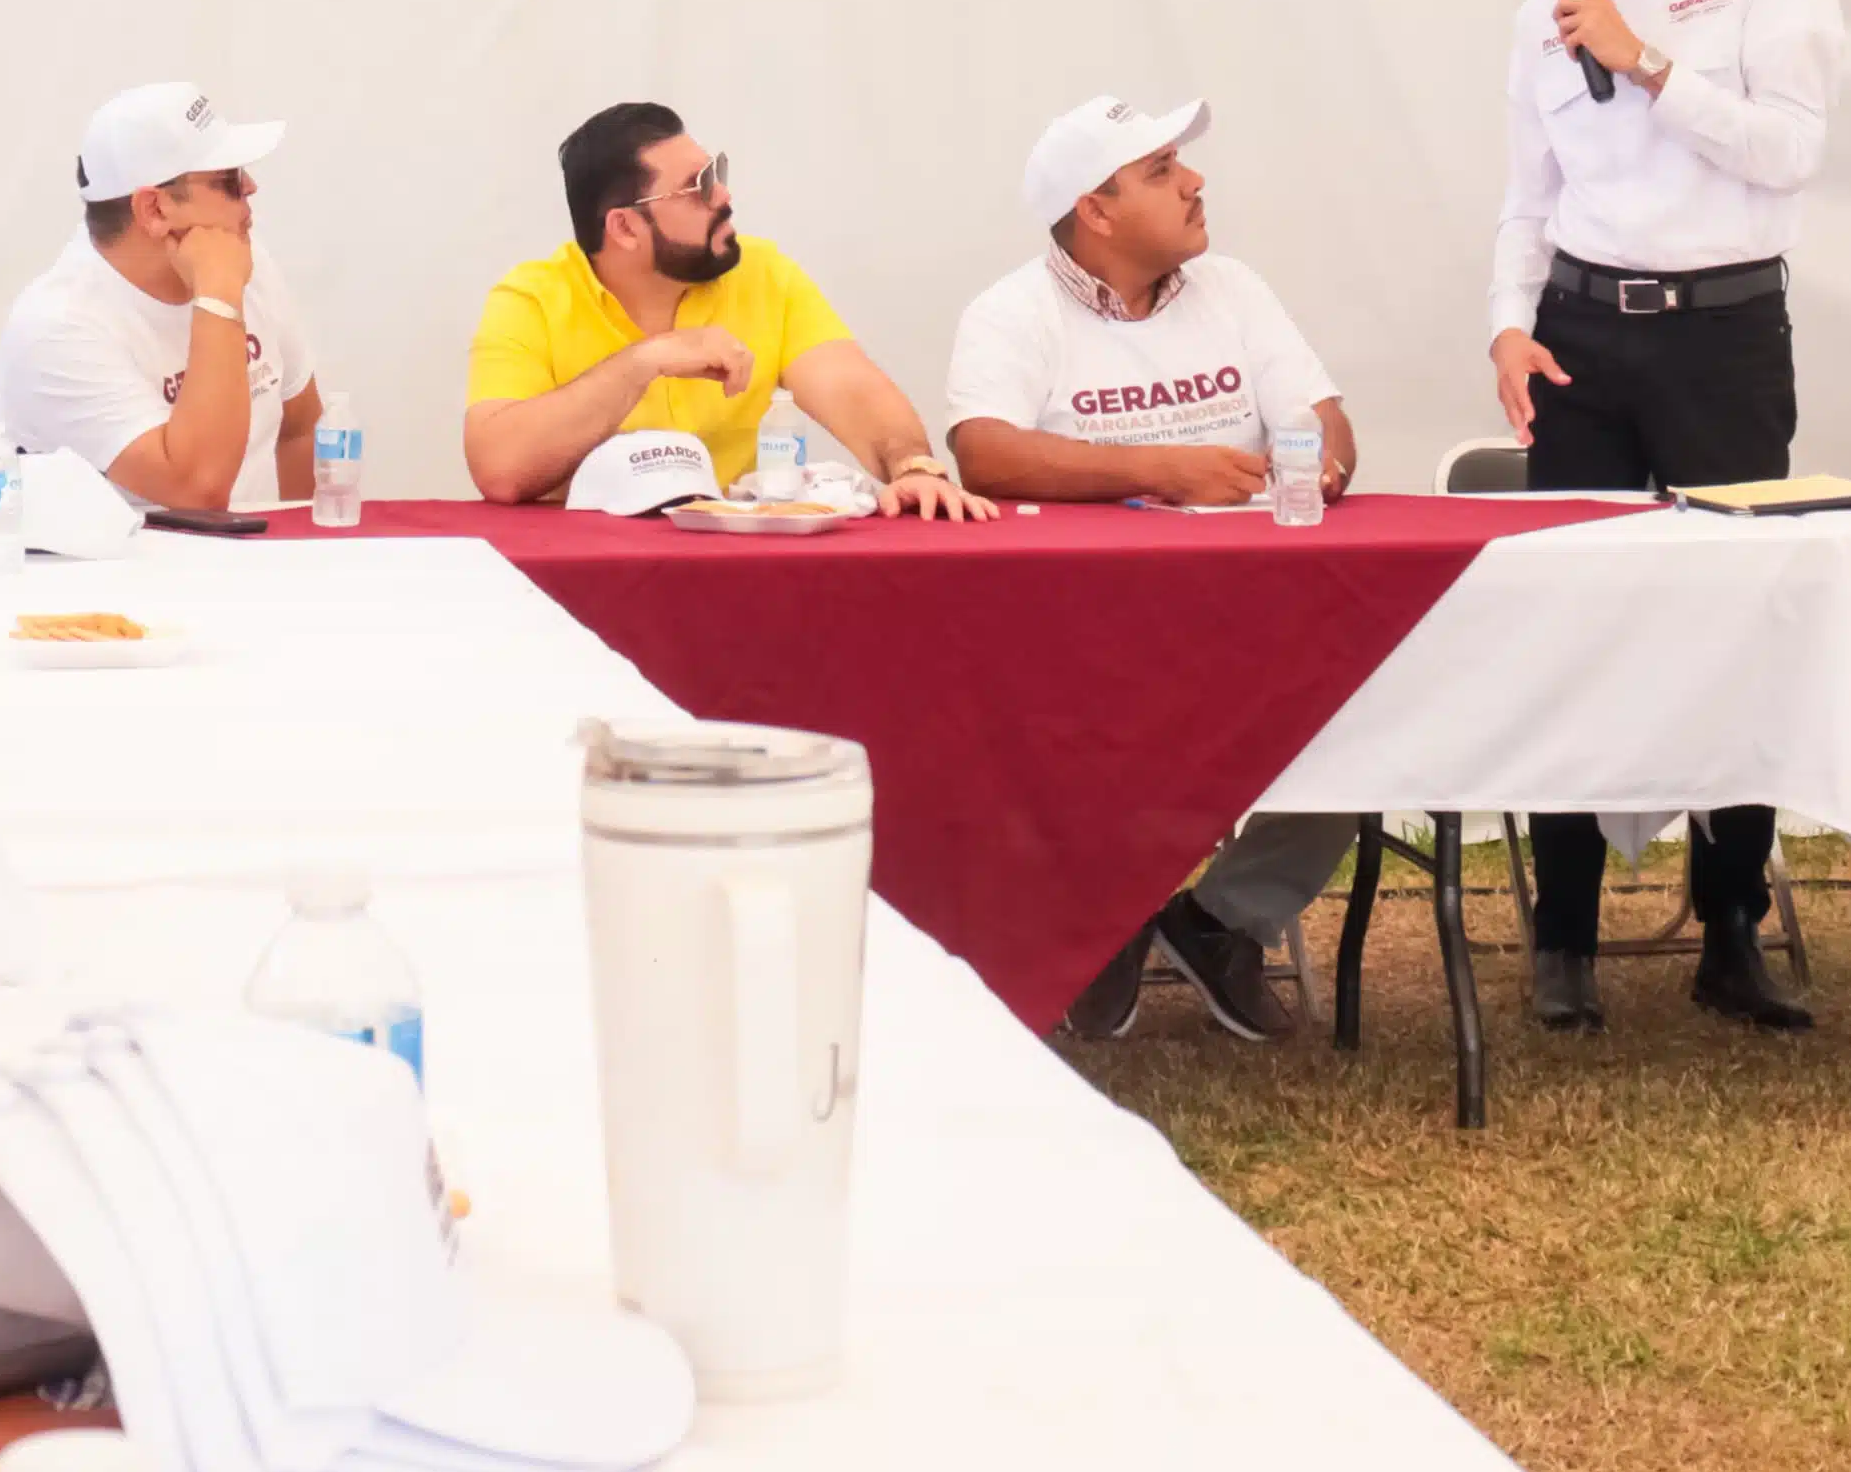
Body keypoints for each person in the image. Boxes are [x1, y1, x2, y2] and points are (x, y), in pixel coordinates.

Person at [1486, 0, 1844, 1036]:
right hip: (1581, 331)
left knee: (1739, 619)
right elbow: (1527, 193)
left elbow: (1790, 148)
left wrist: (1647, 65)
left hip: (1721, 336)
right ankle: (1564, 935)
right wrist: (1506, 326)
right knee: (1571, 623)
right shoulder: (1543, 7)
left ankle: (1731, 930)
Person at [945, 97, 1359, 1039]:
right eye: (1165, 169)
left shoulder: (1235, 289)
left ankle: (1221, 922)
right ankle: (1101, 921)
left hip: (1257, 625)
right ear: (1097, 208)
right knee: (1038, 725)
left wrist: (1317, 457)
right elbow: (984, 453)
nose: (1196, 181)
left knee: (1366, 697)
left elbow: (1326, 420)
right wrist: (1162, 467)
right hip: (1086, 645)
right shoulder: (1012, 311)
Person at [466, 101, 990, 517]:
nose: (723, 195)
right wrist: (644, 362)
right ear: (624, 228)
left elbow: (849, 385)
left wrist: (914, 468)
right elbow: (500, 469)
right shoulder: (531, 297)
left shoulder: (763, 273)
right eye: (697, 187)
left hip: (734, 559)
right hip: (589, 571)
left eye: (715, 172)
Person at [0, 80, 324, 511]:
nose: (252, 187)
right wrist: (218, 294)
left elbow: (301, 428)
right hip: (124, 577)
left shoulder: (243, 257)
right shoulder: (56, 326)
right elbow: (199, 491)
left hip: (250, 568)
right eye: (229, 180)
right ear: (155, 209)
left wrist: (307, 555)